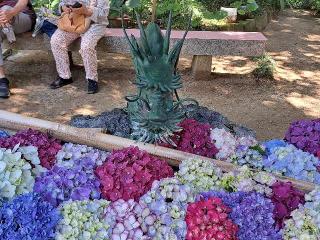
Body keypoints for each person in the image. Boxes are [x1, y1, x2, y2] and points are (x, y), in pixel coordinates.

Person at [49, 0, 109, 94]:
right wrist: (63, 7)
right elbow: (62, 3)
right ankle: (65, 76)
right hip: (75, 21)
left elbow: (104, 13)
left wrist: (87, 11)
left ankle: (92, 80)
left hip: (95, 24)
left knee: (86, 46)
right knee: (56, 40)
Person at [0, 0, 36, 98]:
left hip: (22, 17)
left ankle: (8, 31)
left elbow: (23, 2)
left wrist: (10, 13)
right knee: (3, 12)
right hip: (2, 21)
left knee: (5, 9)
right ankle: (1, 79)